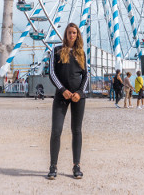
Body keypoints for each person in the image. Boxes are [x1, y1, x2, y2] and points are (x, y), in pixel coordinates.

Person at [48, 22, 88, 180]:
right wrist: (62, 90)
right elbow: (51, 72)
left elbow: (85, 76)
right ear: (65, 34)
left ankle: (76, 165)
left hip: (78, 97)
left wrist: (79, 92)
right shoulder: (56, 50)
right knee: (56, 130)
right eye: (69, 32)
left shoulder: (81, 53)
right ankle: (53, 165)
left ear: (77, 35)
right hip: (61, 96)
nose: (72, 35)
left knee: (76, 131)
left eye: (74, 33)